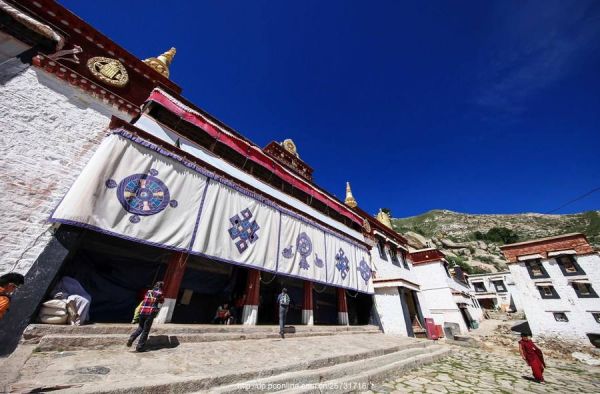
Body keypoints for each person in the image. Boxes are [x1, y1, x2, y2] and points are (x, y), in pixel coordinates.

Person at [127, 281, 164, 352]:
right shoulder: (160, 293)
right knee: (146, 331)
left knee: (140, 327)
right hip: (150, 313)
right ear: (161, 287)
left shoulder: (148, 292)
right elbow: (162, 301)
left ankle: (132, 337)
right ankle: (140, 347)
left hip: (142, 312)